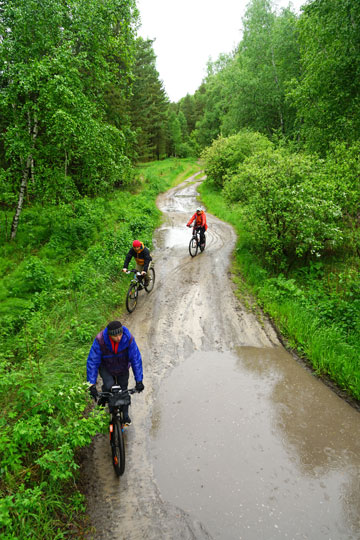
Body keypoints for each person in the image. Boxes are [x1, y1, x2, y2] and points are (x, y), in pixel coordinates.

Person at [87, 320, 144, 425]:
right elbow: (93, 362)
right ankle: (104, 398)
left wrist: (139, 381)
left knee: (123, 390)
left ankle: (125, 414)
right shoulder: (100, 340)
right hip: (106, 368)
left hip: (122, 368)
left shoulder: (128, 339)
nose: (118, 338)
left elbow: (136, 359)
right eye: (115, 336)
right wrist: (91, 385)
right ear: (109, 335)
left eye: (120, 334)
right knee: (109, 386)